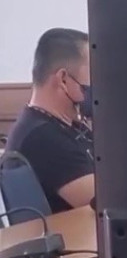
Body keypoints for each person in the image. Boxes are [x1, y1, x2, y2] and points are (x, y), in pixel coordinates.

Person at [5, 28, 95, 213]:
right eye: (93, 74)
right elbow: (103, 200)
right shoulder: (41, 137)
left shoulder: (69, 126)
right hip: (73, 232)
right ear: (63, 79)